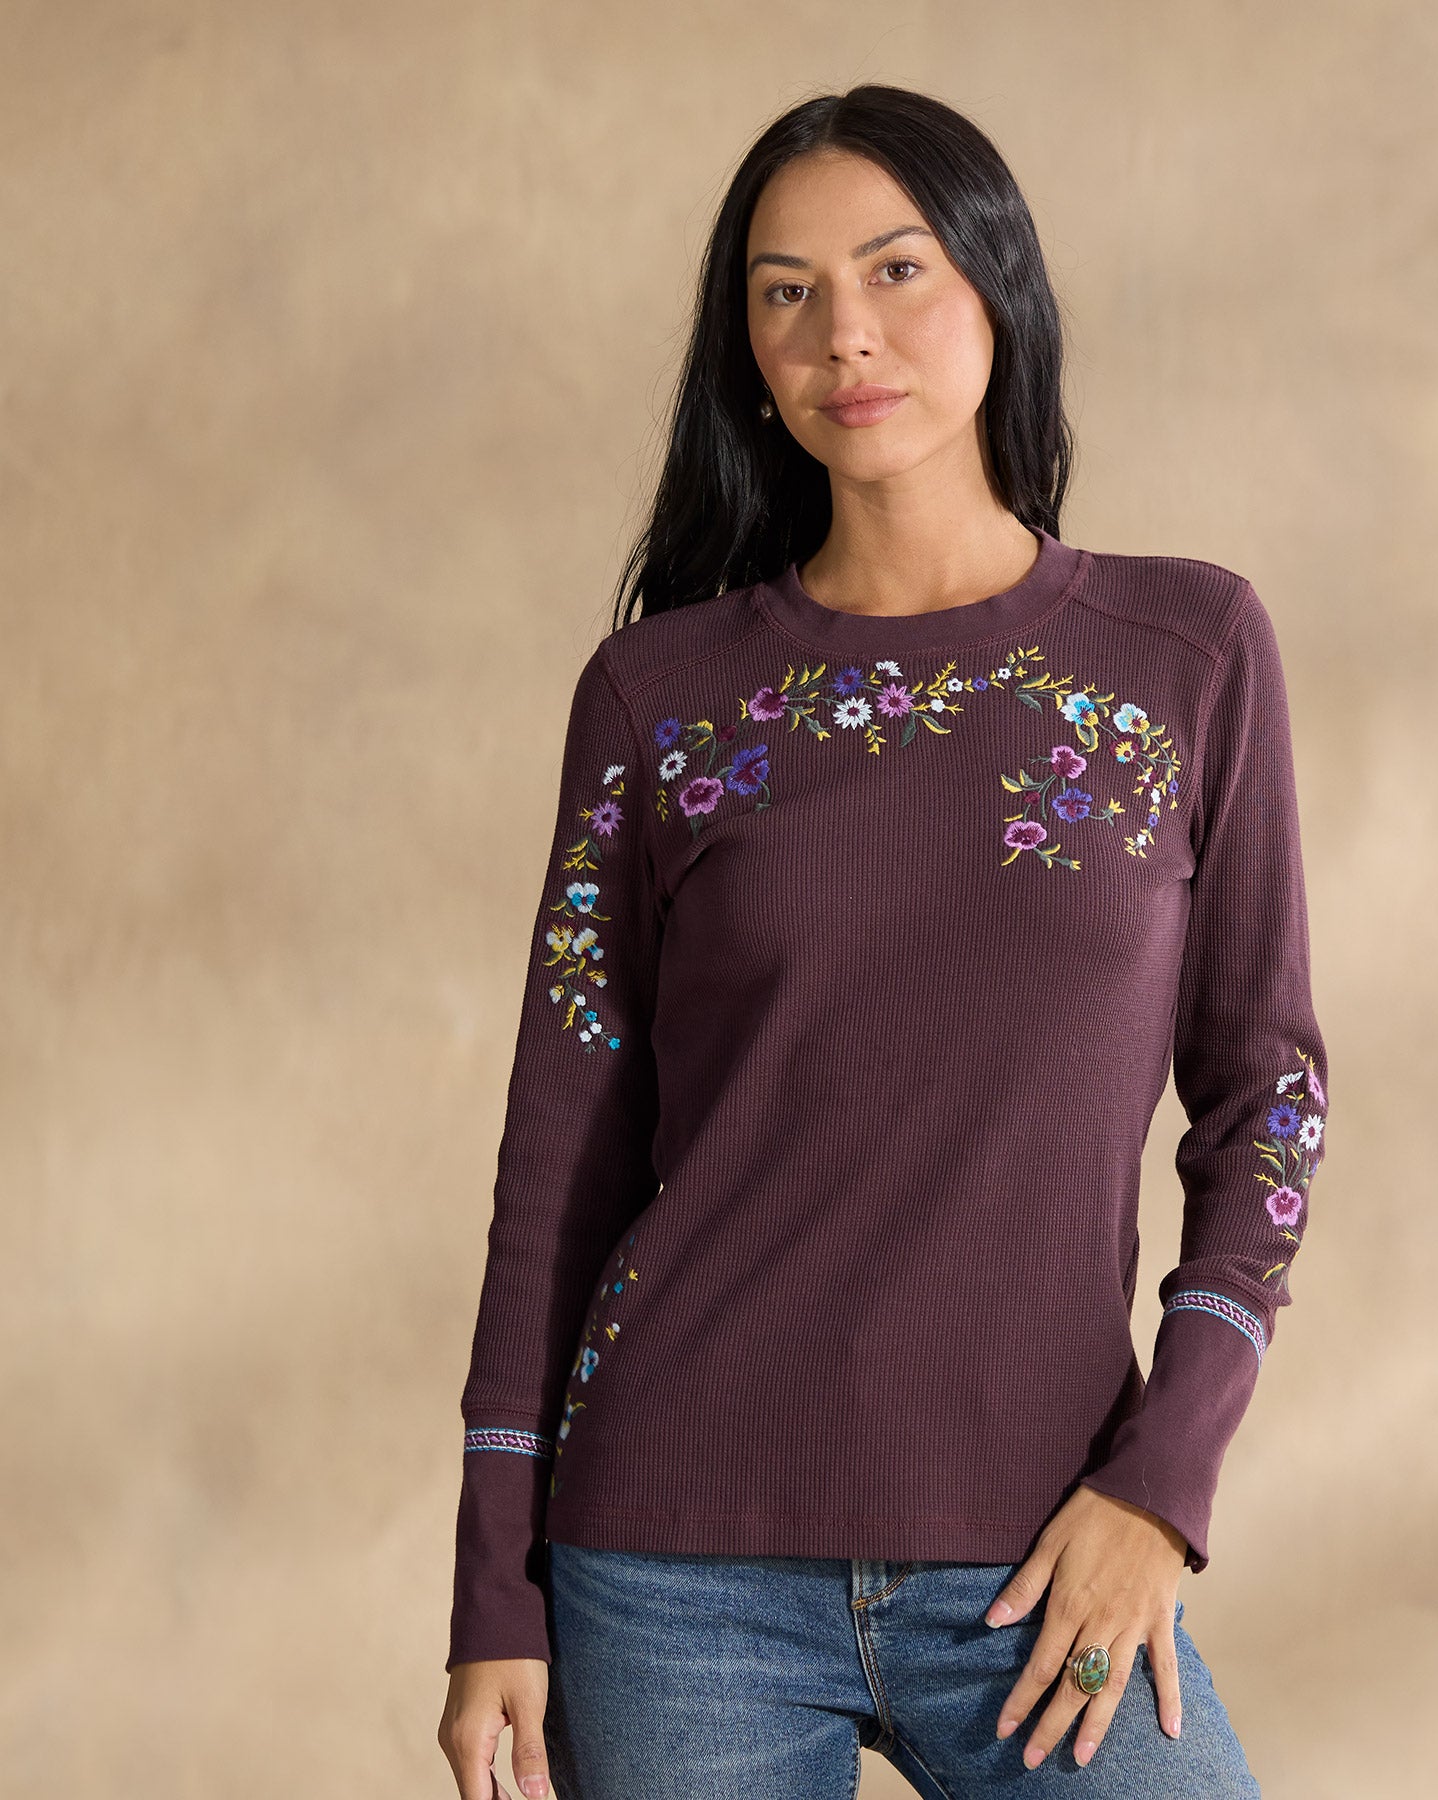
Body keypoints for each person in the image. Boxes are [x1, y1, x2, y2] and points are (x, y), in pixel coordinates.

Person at [437, 82, 1328, 1800]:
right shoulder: (658, 698)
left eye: (895, 269)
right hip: (671, 1565)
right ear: (750, 353)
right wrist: (495, 1588)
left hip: (1042, 1557)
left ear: (999, 286)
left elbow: (1266, 1102)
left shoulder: (1189, 651)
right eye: (785, 292)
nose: (843, 332)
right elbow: (560, 1159)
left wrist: (1163, 1487)